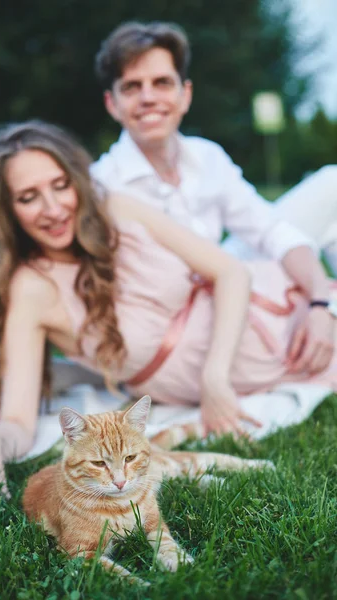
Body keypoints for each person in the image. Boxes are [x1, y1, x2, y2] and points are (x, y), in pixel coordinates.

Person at [0, 120, 337, 507]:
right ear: (6, 211)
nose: (54, 208)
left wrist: (215, 378)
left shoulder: (117, 208)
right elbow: (19, 422)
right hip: (253, 363)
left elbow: (230, 270)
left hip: (254, 312)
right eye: (29, 197)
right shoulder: (32, 288)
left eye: (61, 186)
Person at [91, 21, 337, 375]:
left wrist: (319, 303)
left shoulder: (207, 157)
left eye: (162, 83)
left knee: (331, 183)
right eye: (132, 87)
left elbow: (270, 231)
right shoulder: (102, 185)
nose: (148, 98)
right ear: (112, 104)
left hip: (231, 273)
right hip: (184, 317)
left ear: (185, 95)